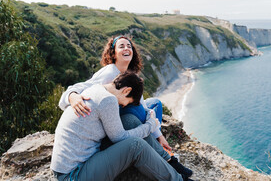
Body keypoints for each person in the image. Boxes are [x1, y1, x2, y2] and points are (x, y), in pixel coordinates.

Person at [58, 36, 192, 178]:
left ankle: (167, 160)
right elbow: (81, 87)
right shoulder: (109, 76)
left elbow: (142, 106)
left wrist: (157, 133)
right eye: (121, 46)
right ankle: (171, 168)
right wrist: (72, 96)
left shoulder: (126, 78)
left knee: (147, 109)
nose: (127, 48)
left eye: (129, 46)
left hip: (97, 143)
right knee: (135, 129)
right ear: (113, 53)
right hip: (74, 173)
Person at [51, 72, 186, 181]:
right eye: (127, 103)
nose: (123, 106)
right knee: (136, 145)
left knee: (128, 120)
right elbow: (119, 138)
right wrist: (150, 126)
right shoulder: (107, 100)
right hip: (73, 174)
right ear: (126, 91)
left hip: (75, 164)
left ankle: (168, 162)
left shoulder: (96, 89)